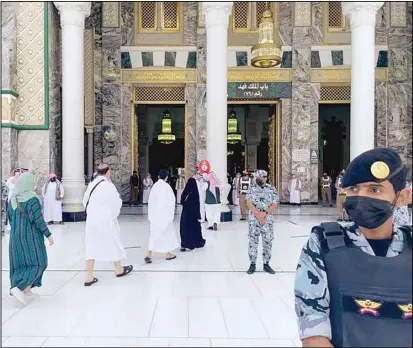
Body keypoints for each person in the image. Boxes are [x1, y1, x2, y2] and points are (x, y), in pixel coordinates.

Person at [294, 148, 412, 348]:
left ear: (402, 197)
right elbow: (314, 335)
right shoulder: (323, 245)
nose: (361, 197)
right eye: (354, 189)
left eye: (375, 189)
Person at [8, 172, 54, 305]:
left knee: (21, 264)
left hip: (15, 238)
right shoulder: (32, 199)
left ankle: (27, 292)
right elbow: (38, 220)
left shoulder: (12, 199)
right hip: (30, 237)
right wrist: (48, 235)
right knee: (39, 262)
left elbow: (11, 220)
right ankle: (19, 287)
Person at [83, 164, 133, 287]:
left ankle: (89, 276)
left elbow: (84, 202)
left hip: (91, 221)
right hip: (105, 221)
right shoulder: (109, 186)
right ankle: (119, 269)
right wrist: (112, 214)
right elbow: (116, 203)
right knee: (113, 242)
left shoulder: (91, 184)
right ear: (108, 172)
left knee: (91, 246)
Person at [245, 170, 279, 275]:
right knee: (252, 241)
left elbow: (275, 204)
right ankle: (252, 264)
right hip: (254, 219)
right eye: (259, 178)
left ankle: (266, 264)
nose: (260, 179)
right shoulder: (252, 188)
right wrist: (257, 214)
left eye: (262, 177)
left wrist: (264, 213)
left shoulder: (271, 188)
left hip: (267, 219)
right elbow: (248, 202)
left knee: (268, 241)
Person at [145, 169, 179, 263]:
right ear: (167, 177)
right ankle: (168, 254)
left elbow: (151, 201)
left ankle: (148, 254)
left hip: (155, 216)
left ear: (159, 176)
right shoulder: (167, 187)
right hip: (165, 216)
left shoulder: (154, 186)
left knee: (154, 235)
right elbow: (171, 201)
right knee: (167, 234)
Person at [179, 174, 206, 252]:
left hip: (187, 214)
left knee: (185, 228)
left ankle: (184, 244)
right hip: (193, 214)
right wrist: (199, 215)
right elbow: (196, 205)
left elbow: (182, 199)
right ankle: (192, 243)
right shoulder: (194, 193)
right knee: (193, 228)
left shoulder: (186, 194)